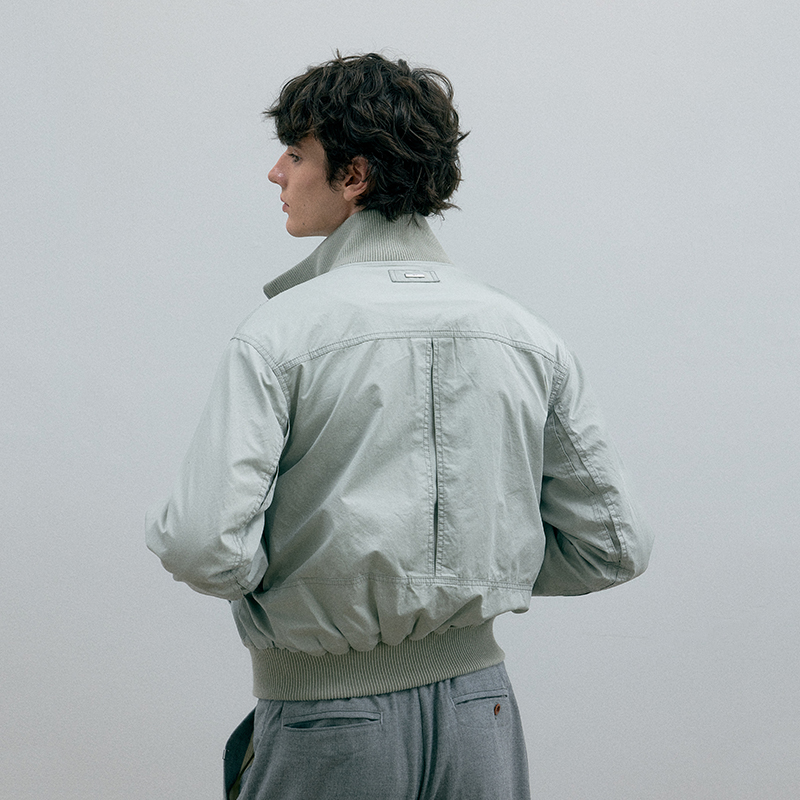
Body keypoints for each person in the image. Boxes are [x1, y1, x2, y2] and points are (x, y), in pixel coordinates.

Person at [146, 53, 653, 800]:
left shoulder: (279, 335)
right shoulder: (524, 333)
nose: (276, 174)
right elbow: (613, 546)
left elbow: (202, 546)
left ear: (353, 176)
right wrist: (477, 579)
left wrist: (307, 590)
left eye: (296, 154)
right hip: (483, 714)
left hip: (329, 718)